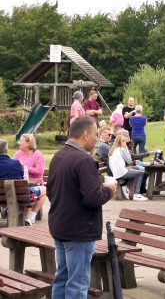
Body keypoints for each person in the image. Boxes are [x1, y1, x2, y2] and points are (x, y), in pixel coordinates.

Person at [47, 116, 116, 298]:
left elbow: (50, 192)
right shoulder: (84, 161)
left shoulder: (58, 156)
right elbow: (93, 198)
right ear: (86, 134)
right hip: (79, 232)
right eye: (95, 134)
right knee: (77, 284)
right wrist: (109, 191)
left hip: (60, 227)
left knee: (61, 278)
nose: (96, 139)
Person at [0, 139, 46, 226]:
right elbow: (23, 180)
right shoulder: (16, 164)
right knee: (43, 190)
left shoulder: (18, 160)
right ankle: (30, 217)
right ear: (6, 150)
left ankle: (5, 208)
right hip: (20, 198)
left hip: (3, 197)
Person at [108, 134, 148, 201]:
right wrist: (126, 148)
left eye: (124, 141)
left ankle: (127, 188)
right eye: (123, 141)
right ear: (119, 142)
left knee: (137, 169)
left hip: (118, 171)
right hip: (121, 172)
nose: (125, 143)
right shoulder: (121, 149)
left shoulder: (114, 149)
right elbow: (129, 161)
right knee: (141, 172)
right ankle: (136, 194)